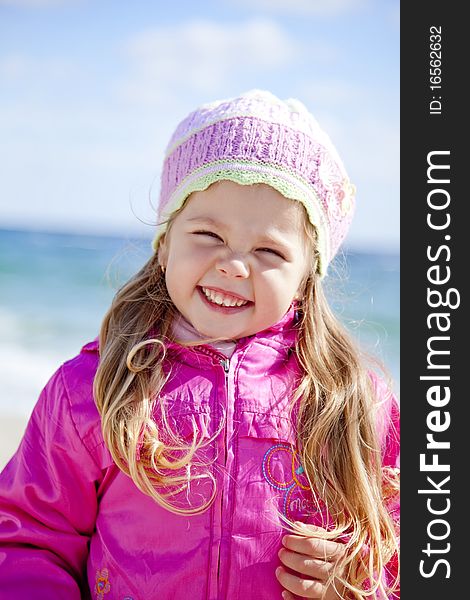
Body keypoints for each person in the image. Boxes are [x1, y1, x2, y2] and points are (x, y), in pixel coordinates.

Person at [0, 90, 399, 599]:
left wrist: (359, 575)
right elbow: (31, 538)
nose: (234, 264)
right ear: (165, 244)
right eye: (208, 234)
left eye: (269, 249)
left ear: (305, 278)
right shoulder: (94, 389)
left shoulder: (350, 402)